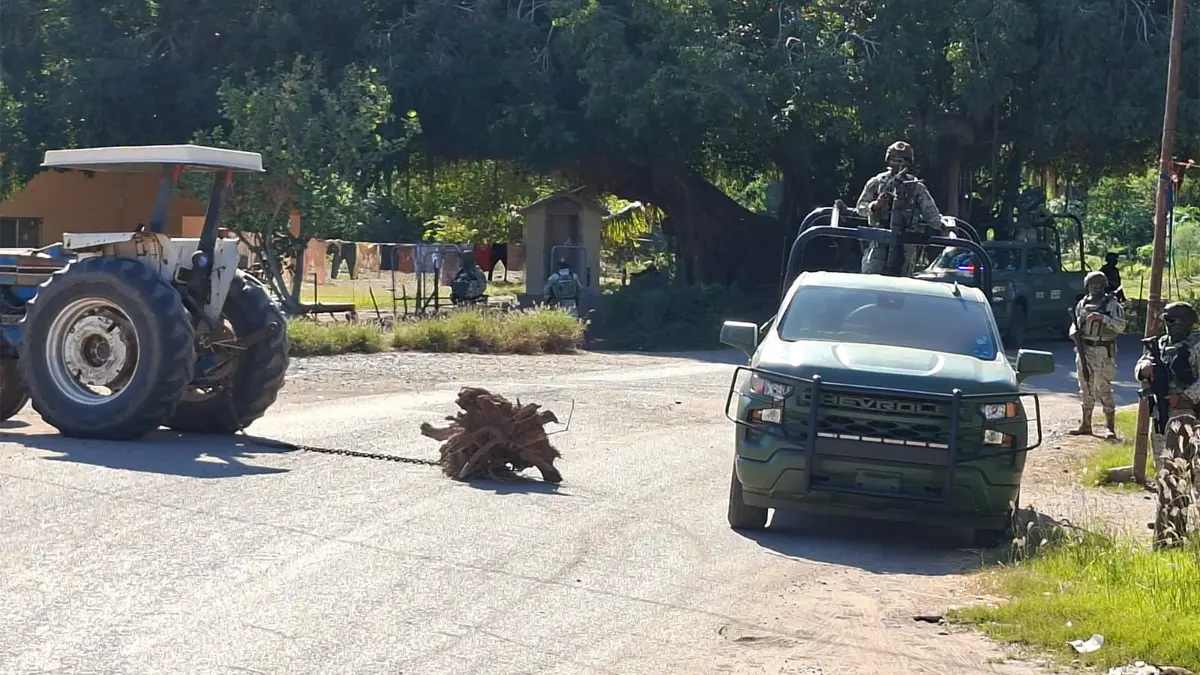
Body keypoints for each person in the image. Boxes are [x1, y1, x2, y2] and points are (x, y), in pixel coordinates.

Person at [854, 141, 944, 276]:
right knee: (871, 280)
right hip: (879, 241)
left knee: (902, 286)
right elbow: (860, 208)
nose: (898, 164)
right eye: (894, 160)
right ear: (888, 160)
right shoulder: (877, 182)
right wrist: (876, 205)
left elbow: (930, 213)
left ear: (908, 162)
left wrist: (943, 225)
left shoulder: (915, 186)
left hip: (906, 243)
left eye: (901, 160)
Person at [1135, 302, 1200, 476]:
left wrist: (1184, 398)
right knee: (1163, 464)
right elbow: (1141, 364)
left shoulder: (1196, 345)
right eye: (1166, 320)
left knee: (1189, 465)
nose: (1168, 325)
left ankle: (1188, 501)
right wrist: (1144, 368)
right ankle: (1167, 500)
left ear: (1187, 323)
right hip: (1161, 412)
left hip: (1189, 412)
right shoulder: (1160, 344)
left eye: (1172, 321)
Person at [1068, 271, 1127, 439]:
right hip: (1084, 348)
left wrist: (1103, 318)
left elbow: (1121, 326)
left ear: (1104, 286)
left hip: (1103, 350)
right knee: (1085, 386)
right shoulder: (1082, 303)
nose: (1095, 288)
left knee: (1104, 387)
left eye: (1098, 285)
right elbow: (1075, 323)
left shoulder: (1112, 304)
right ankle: (1086, 424)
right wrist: (1073, 333)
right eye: (1092, 285)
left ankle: (1110, 427)